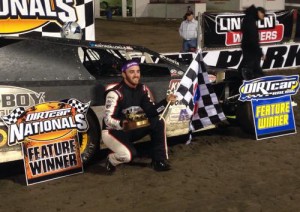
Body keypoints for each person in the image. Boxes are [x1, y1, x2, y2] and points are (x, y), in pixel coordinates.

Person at [102, 60, 177, 173]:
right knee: (128, 156)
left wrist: (165, 102)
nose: (136, 75)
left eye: (138, 71)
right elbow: (107, 120)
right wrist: (122, 123)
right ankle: (111, 160)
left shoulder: (142, 89)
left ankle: (158, 161)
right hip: (112, 131)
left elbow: (151, 112)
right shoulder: (115, 93)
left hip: (132, 125)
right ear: (123, 74)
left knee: (158, 121)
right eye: (131, 72)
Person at [239, 5, 266, 80]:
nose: (263, 16)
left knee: (247, 65)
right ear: (259, 12)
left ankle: (242, 79)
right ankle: (258, 81)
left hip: (248, 47)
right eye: (263, 14)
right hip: (251, 48)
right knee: (254, 67)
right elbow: (253, 38)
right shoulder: (250, 20)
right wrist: (260, 52)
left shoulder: (248, 18)